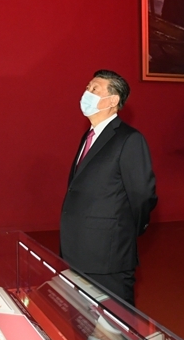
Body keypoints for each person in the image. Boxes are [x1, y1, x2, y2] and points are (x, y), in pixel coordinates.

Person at [60, 70, 157, 306]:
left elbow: (142, 194)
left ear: (113, 100)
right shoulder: (89, 136)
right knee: (82, 317)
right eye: (87, 88)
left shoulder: (129, 139)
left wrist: (126, 231)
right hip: (78, 247)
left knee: (115, 321)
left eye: (94, 89)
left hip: (108, 252)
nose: (87, 93)